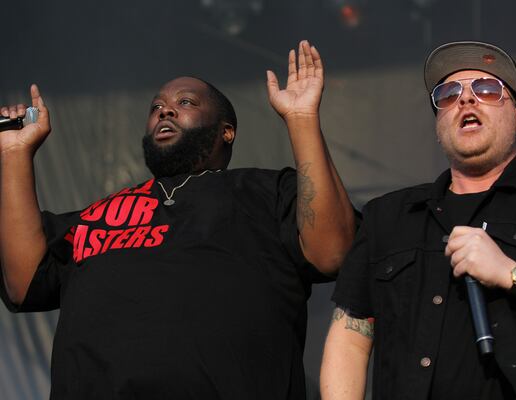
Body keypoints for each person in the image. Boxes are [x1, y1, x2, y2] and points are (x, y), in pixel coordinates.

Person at [0, 40, 356, 399]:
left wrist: (302, 119)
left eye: (184, 102)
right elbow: (23, 281)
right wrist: (15, 153)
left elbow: (332, 252)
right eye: (157, 107)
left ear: (226, 131)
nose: (165, 111)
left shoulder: (266, 192)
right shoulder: (99, 214)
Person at [321, 41, 516, 400]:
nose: (466, 99)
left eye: (486, 89)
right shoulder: (389, 215)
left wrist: (510, 273)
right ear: (439, 124)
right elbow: (350, 337)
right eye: (449, 94)